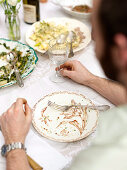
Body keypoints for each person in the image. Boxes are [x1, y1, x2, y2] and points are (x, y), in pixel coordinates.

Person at [0, 0, 127, 169]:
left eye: (95, 30)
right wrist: (90, 79)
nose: (93, 38)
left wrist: (14, 142)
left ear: (121, 49)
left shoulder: (104, 157)